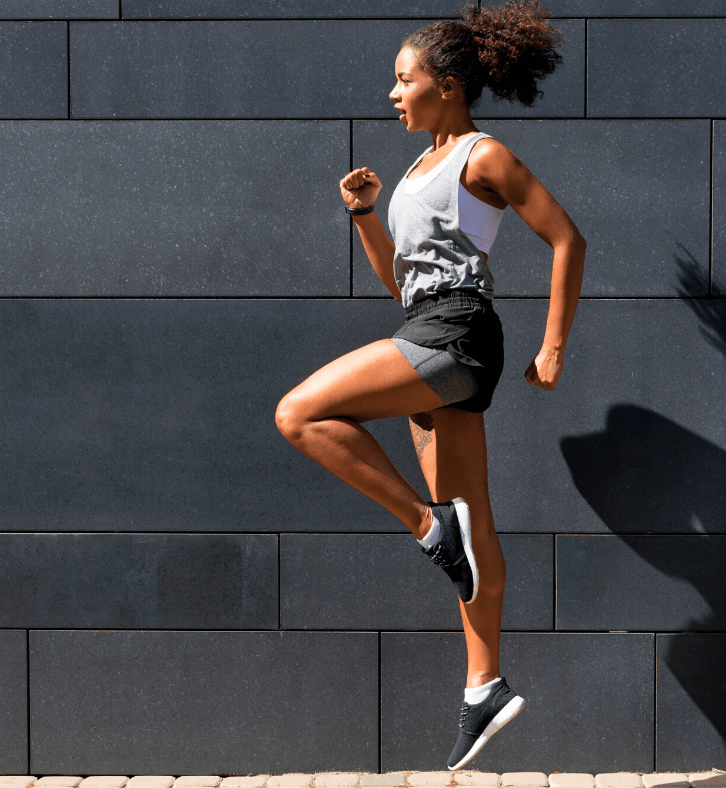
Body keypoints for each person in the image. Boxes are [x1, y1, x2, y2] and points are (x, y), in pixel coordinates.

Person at [274, 0, 585, 770]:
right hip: (427, 325)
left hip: (456, 334)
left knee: (300, 413)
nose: (392, 93)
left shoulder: (484, 155)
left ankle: (424, 526)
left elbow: (567, 238)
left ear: (446, 85)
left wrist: (552, 348)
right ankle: (483, 684)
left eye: (403, 79)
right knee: (473, 530)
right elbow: (401, 286)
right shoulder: (417, 169)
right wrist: (365, 216)